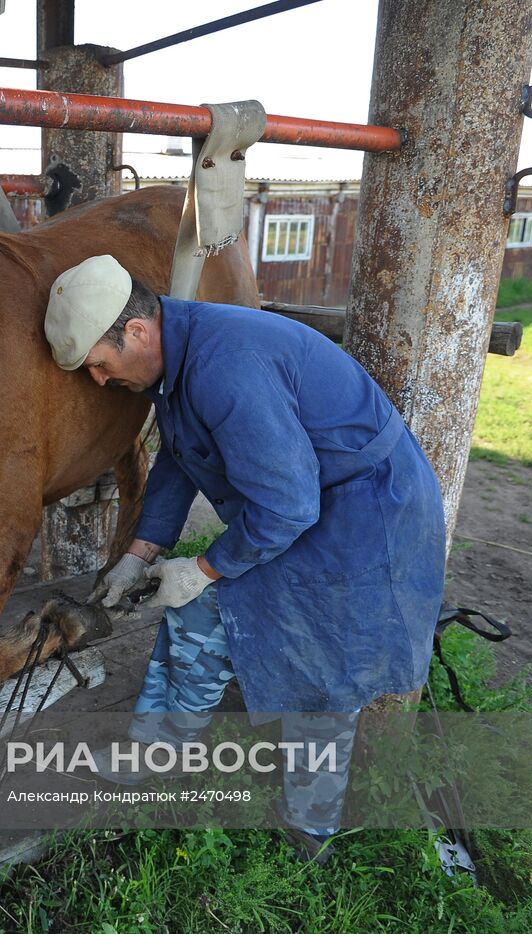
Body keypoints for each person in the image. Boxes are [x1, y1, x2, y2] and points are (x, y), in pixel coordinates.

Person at [44, 254, 446, 861]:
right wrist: (140, 554)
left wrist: (201, 569)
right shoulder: (178, 358)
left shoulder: (224, 365)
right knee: (195, 615)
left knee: (322, 666)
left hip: (364, 515)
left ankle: (310, 827)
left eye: (99, 365)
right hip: (308, 500)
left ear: (136, 332)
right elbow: (180, 457)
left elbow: (286, 506)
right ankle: (162, 749)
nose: (99, 380)